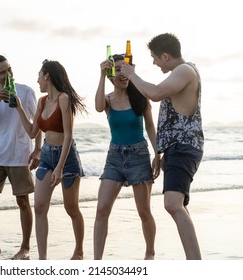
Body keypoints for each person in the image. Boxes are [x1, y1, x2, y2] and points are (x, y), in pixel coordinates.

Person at [120, 33, 204, 260]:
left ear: (166, 55)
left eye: (155, 58)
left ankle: (196, 263)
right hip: (178, 148)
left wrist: (131, 74)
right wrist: (161, 151)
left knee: (173, 204)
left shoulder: (185, 71)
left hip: (185, 146)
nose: (155, 63)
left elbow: (154, 93)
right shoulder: (182, 72)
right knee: (176, 205)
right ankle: (194, 260)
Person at [15, 59, 87, 260]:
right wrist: (19, 107)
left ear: (47, 76)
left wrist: (60, 167)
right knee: (39, 207)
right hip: (47, 156)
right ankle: (43, 260)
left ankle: (79, 251)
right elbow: (31, 132)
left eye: (39, 75)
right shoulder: (41, 101)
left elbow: (68, 135)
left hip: (67, 157)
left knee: (71, 208)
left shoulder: (64, 99)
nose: (37, 80)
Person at [0, 55, 42, 260]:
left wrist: (37, 150)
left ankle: (25, 248)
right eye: (2, 72)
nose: (8, 74)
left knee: (22, 201)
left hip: (19, 154)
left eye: (9, 69)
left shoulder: (26, 91)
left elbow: (37, 123)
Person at [94, 54, 160, 260]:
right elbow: (97, 107)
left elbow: (150, 126)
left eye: (126, 68)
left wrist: (158, 154)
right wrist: (101, 76)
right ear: (112, 73)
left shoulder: (140, 96)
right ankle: (97, 261)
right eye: (119, 69)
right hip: (114, 157)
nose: (124, 73)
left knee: (143, 211)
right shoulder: (107, 100)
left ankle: (150, 253)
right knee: (102, 208)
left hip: (138, 155)